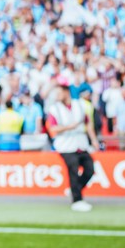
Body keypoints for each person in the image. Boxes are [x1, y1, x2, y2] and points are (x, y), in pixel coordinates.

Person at [46, 77, 99, 212]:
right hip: (65, 145)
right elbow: (53, 128)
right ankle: (77, 200)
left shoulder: (80, 105)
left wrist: (93, 139)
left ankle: (75, 189)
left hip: (81, 143)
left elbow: (88, 123)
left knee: (90, 169)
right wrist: (69, 127)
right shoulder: (54, 109)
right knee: (73, 169)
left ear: (66, 91)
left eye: (59, 91)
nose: (57, 95)